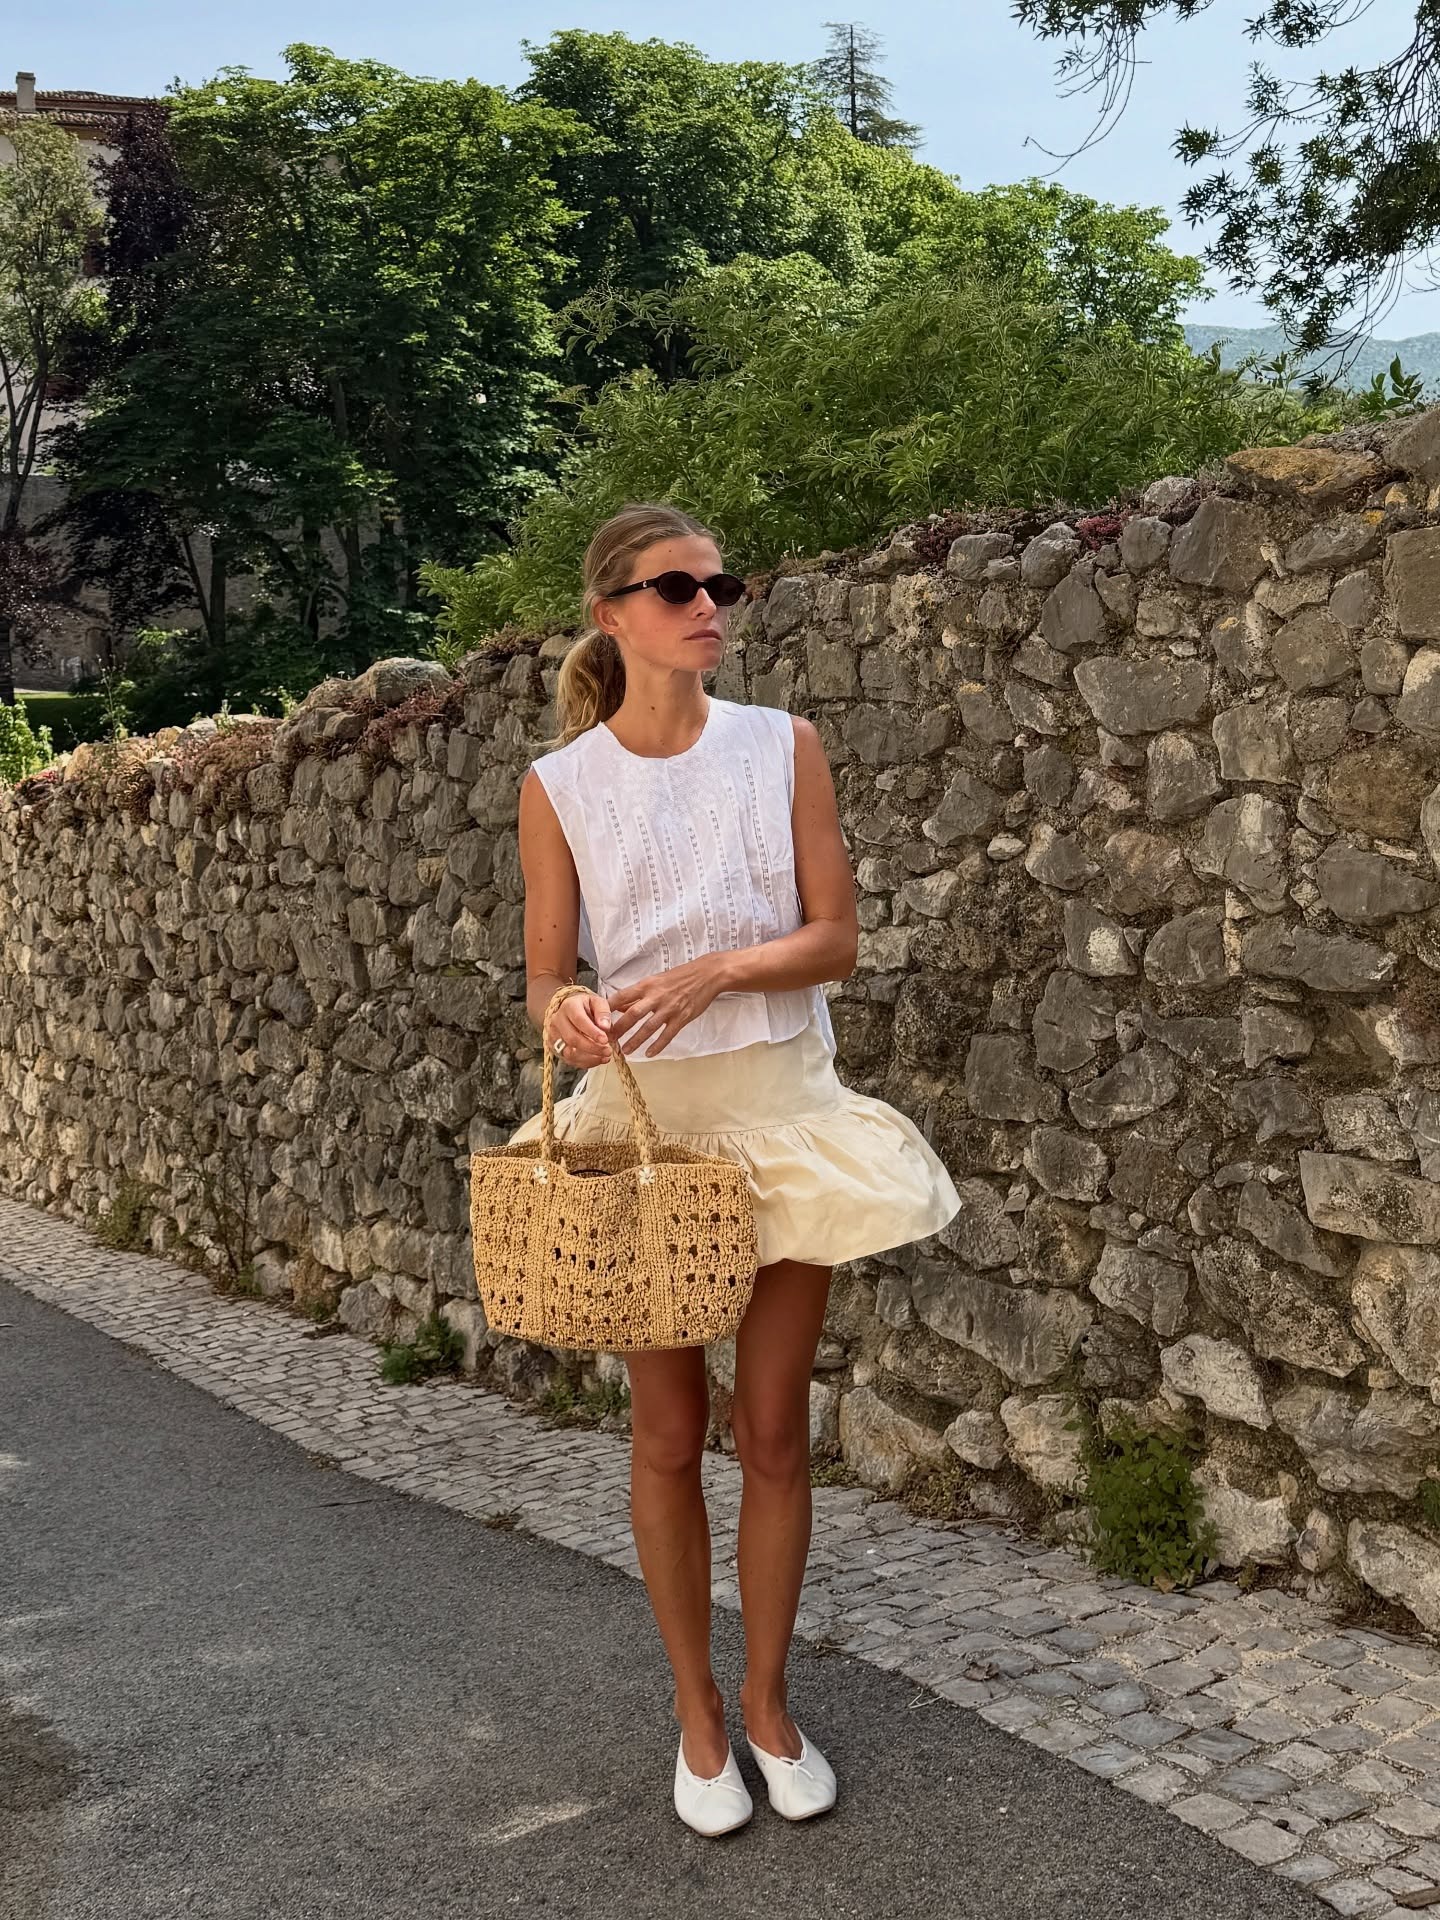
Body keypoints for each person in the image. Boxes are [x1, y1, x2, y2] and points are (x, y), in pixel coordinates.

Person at [509, 502, 961, 1837]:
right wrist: (568, 1013)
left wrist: (720, 967)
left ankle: (768, 1704)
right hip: (646, 1134)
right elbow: (545, 974)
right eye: (676, 586)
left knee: (771, 1432)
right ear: (613, 614)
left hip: (783, 1113)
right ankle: (696, 1718)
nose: (709, 603)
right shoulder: (557, 785)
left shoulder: (785, 747)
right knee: (665, 1436)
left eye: (722, 583)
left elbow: (835, 939)